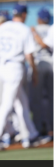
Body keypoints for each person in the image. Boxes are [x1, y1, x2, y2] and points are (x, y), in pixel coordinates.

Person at [0, 3, 45, 149]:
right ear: (24, 15)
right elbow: (29, 55)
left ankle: (31, 135)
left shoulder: (3, 27)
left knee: (21, 103)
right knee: (7, 103)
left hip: (2, 68)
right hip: (15, 68)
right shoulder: (24, 29)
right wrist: (34, 72)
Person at [30, 9, 53, 140]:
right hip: (51, 64)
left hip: (38, 64)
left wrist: (33, 32)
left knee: (36, 100)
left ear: (39, 18)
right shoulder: (51, 28)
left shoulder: (34, 29)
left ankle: (38, 129)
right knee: (51, 100)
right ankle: (51, 129)